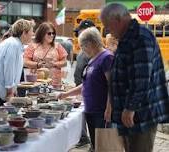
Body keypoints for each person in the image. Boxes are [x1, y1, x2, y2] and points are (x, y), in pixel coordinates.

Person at [100, 3, 169, 152]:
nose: (107, 30)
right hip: (131, 113)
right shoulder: (128, 37)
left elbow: (142, 79)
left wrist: (130, 108)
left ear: (116, 20)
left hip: (141, 113)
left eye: (107, 26)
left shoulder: (140, 38)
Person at [58, 27, 114, 152]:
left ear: (91, 43)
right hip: (91, 111)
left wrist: (109, 108)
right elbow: (86, 84)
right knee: (96, 146)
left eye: (82, 45)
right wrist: (66, 94)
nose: (82, 49)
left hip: (101, 112)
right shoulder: (93, 59)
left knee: (105, 147)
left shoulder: (106, 57)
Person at [0, 19, 34, 107]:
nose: (32, 34)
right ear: (24, 33)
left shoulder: (14, 43)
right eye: (31, 32)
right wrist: (10, 91)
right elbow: (9, 69)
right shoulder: (13, 45)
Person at [24, 22, 67, 87]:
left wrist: (54, 64)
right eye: (49, 33)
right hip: (36, 82)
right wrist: (37, 64)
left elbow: (65, 62)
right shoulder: (32, 46)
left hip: (54, 83)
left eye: (53, 33)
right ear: (42, 34)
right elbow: (26, 62)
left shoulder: (58, 46)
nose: (52, 35)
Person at [73, 19, 95, 148]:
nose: (78, 35)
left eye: (80, 32)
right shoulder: (83, 49)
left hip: (89, 91)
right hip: (81, 89)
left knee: (91, 119)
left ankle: (94, 144)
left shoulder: (94, 51)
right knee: (84, 117)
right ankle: (85, 139)